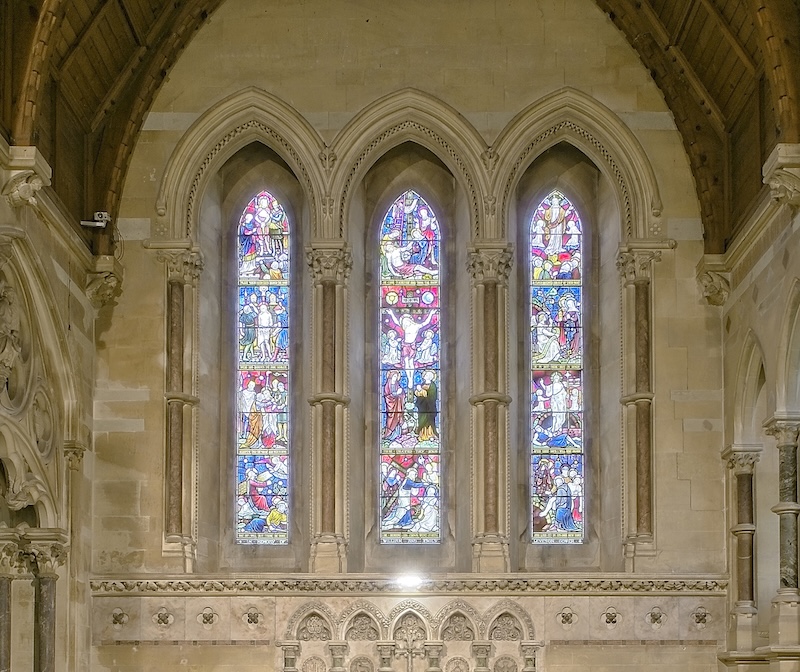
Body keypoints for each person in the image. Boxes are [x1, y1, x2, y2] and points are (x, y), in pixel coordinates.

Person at [415, 370, 438, 441]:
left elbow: (432, 396)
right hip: (422, 406)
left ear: (431, 377)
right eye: (425, 375)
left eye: (428, 375)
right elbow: (417, 393)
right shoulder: (422, 384)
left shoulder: (433, 386)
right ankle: (422, 435)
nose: (426, 376)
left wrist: (422, 391)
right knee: (422, 420)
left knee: (429, 420)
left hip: (429, 407)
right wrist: (417, 391)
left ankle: (430, 434)